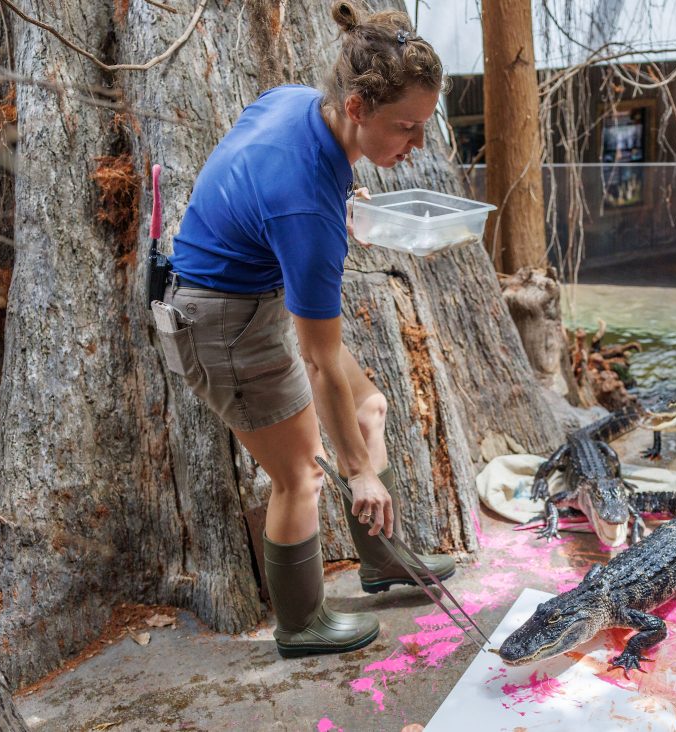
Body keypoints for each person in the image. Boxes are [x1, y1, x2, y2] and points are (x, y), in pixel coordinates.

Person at [157, 2, 455, 659]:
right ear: (355, 107)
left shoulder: (295, 99)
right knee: (302, 475)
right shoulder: (308, 210)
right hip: (222, 321)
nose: (415, 148)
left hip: (248, 291)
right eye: (406, 129)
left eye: (422, 126)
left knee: (371, 404)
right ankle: (301, 624)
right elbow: (320, 363)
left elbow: (257, 152)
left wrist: (335, 196)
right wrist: (359, 473)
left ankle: (380, 561)